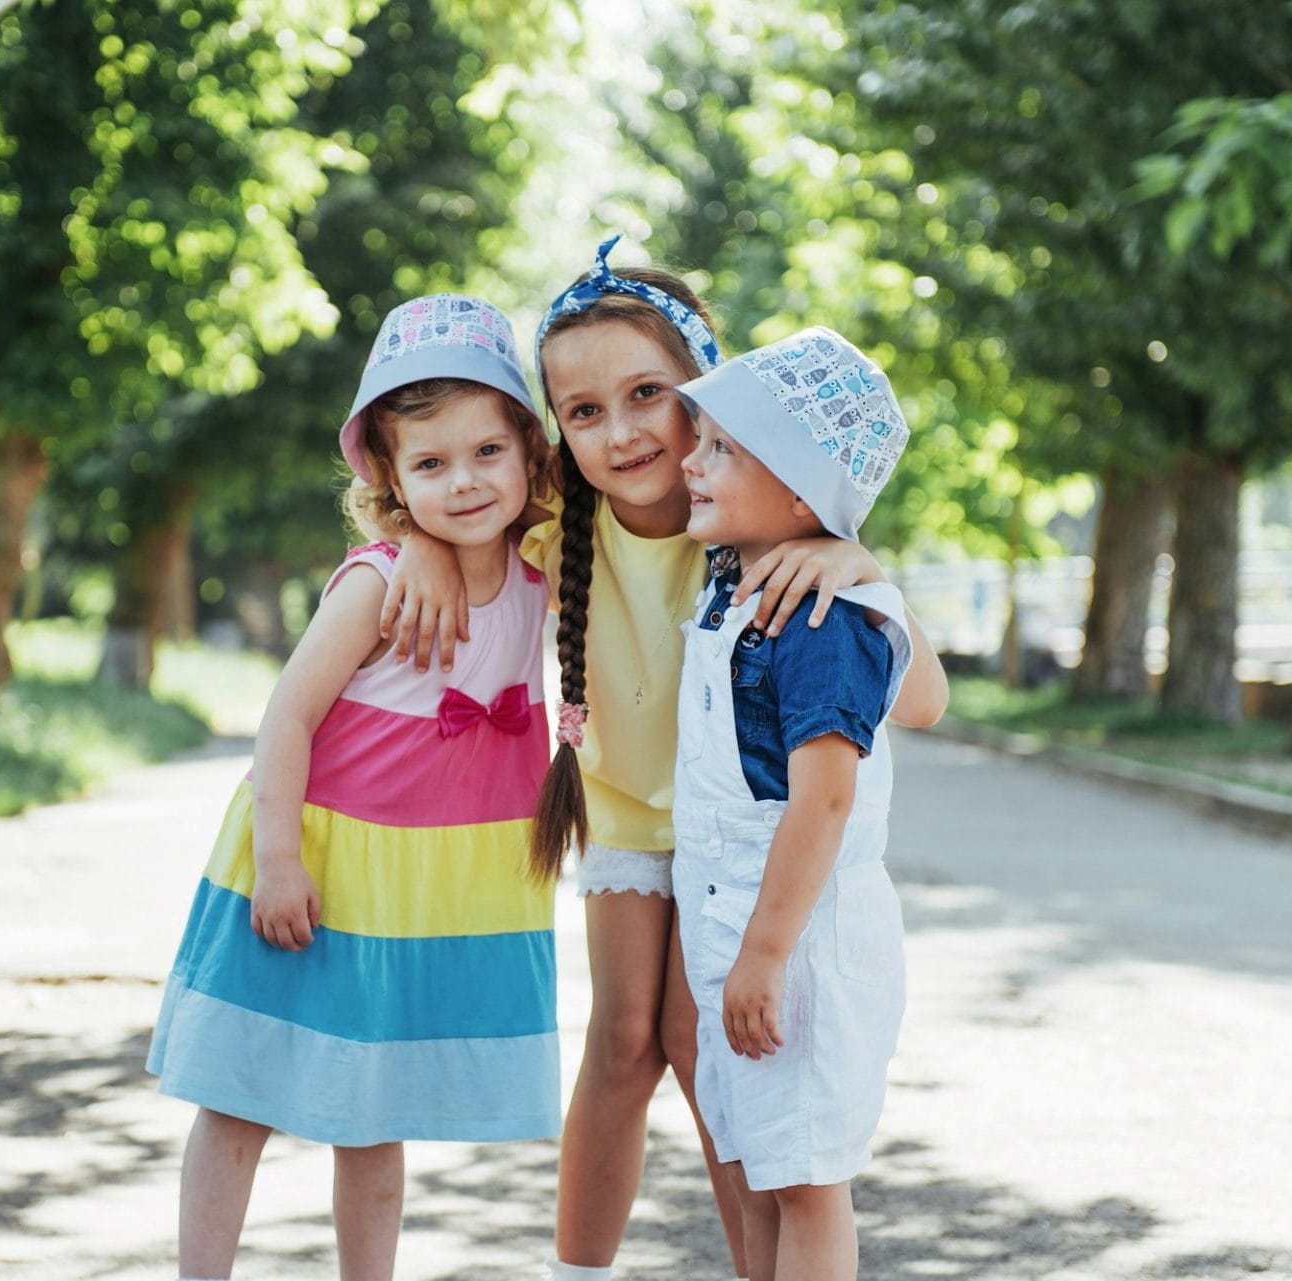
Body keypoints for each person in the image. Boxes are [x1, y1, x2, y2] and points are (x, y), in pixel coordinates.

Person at [384, 238, 949, 1281]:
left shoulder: (753, 521)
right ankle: (578, 1272)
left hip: (736, 841)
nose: (623, 431)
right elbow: (443, 511)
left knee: (713, 1049)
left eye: (650, 393)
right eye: (584, 412)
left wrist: (853, 555)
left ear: (711, 397)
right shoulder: (555, 528)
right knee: (622, 1045)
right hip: (626, 823)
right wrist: (420, 543)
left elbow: (917, 698)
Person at [147, 293, 561, 1281]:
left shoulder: (546, 568)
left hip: (421, 889)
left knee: (376, 1113)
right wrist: (279, 864)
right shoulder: (377, 583)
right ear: (387, 476)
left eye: (486, 453)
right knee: (240, 1094)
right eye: (429, 465)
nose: (463, 483)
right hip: (317, 860)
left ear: (530, 454)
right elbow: (286, 716)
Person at [672, 326, 916, 1281]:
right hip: (741, 928)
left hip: (796, 941)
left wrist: (764, 955)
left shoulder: (821, 615)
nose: (689, 459)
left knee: (809, 1182)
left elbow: (824, 800)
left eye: (722, 447)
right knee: (770, 1174)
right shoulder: (737, 584)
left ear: (804, 493)